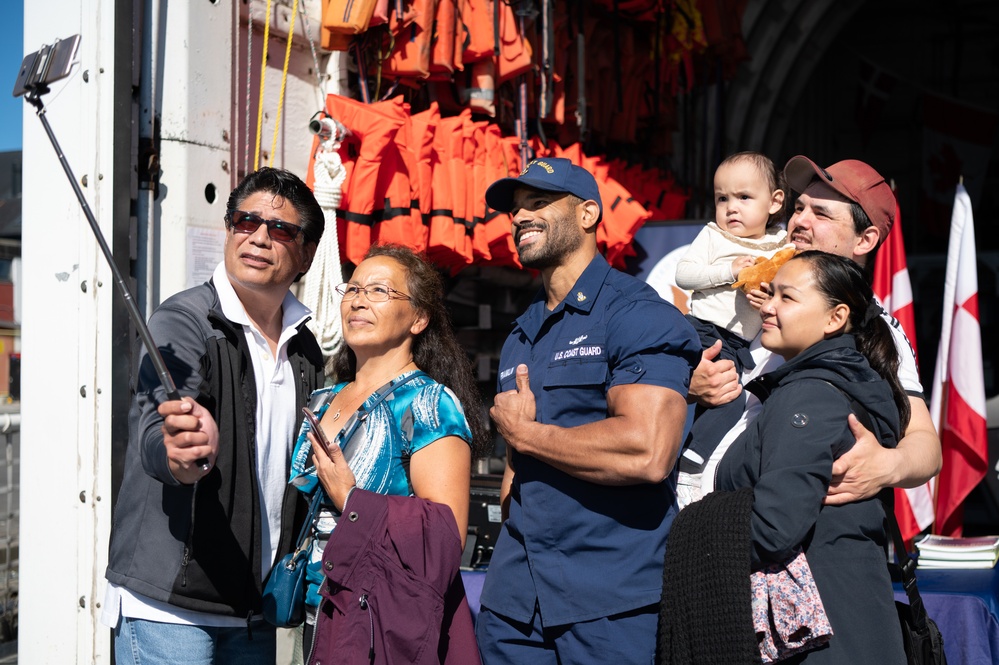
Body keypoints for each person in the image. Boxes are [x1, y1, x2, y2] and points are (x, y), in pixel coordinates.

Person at [474, 157, 701, 664]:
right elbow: (515, 460)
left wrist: (528, 437)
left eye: (538, 203)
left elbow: (647, 451)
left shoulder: (638, 314)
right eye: (514, 210)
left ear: (588, 214)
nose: (518, 218)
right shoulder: (522, 332)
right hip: (515, 604)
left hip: (608, 603)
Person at [102, 167, 326, 664]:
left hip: (253, 608)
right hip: (170, 611)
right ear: (229, 229)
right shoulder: (182, 320)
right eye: (246, 221)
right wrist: (180, 454)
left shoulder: (307, 349)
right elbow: (157, 424)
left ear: (306, 254)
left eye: (281, 229)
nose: (260, 237)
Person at [690, 155, 941, 503]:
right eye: (799, 208)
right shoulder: (751, 277)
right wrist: (690, 384)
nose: (798, 222)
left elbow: (926, 444)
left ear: (865, 240)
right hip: (693, 514)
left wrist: (887, 464)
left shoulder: (872, 325)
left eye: (821, 214)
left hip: (774, 531)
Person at [289, 244, 489, 663]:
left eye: (379, 290)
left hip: (374, 623)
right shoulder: (324, 398)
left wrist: (352, 499)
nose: (359, 299)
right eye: (353, 288)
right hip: (307, 612)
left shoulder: (429, 404)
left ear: (418, 318)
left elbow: (445, 536)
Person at [710, 250, 908, 663]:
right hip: (842, 623)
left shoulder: (809, 394)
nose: (769, 305)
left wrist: (691, 539)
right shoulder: (829, 384)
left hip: (823, 638)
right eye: (771, 294)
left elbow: (774, 526)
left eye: (788, 297)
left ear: (835, 318)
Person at [674, 151, 791, 503]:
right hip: (704, 331)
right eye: (721, 198)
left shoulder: (784, 244)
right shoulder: (713, 236)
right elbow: (684, 274)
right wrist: (728, 273)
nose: (731, 208)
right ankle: (686, 463)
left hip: (744, 344)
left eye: (743, 197)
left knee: (736, 400)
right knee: (706, 396)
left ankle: (697, 462)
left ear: (775, 202)